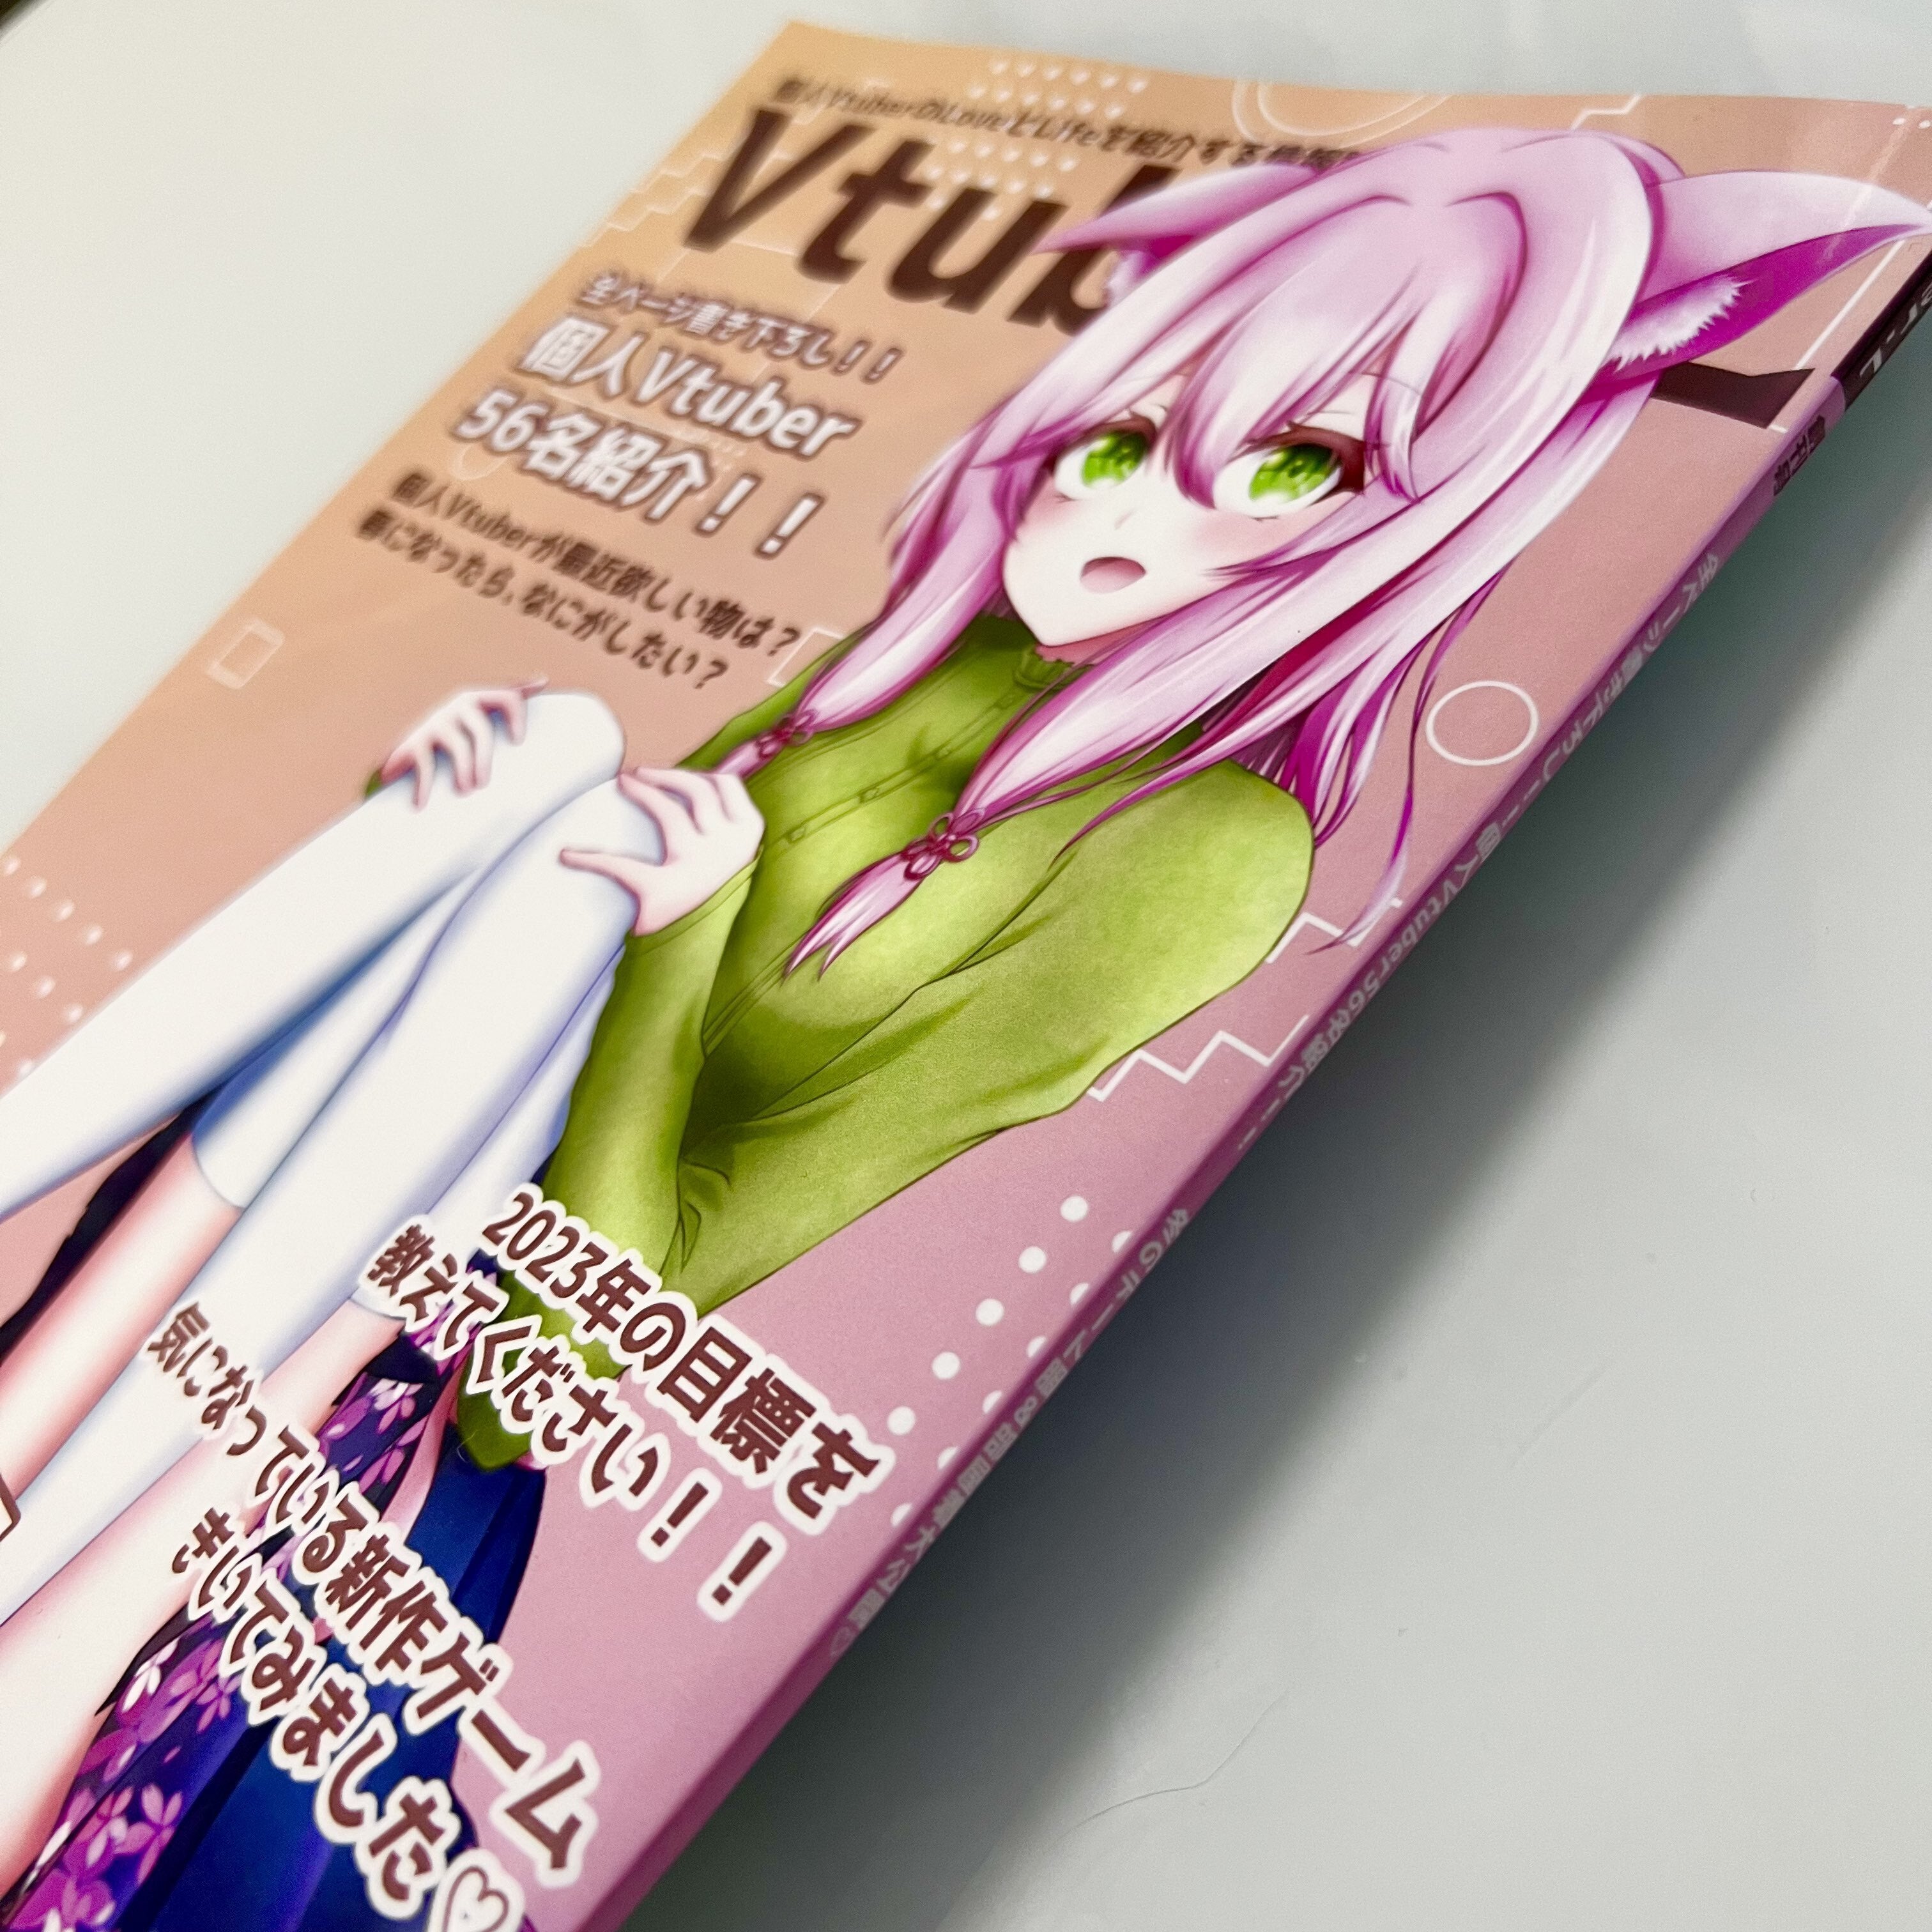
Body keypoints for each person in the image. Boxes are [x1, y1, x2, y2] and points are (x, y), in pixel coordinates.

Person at [0, 126, 1924, 1926]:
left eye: (1294, 469)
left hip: (426, 1333)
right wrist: (455, 801)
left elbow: (578, 1341)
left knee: (561, 889)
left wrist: (673, 942)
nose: (1127, 526)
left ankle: (41, 1509)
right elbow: (548, 915)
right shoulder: (945, 655)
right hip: (305, 1211)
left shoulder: (1207, 854)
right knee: (552, 754)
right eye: (1120, 441)